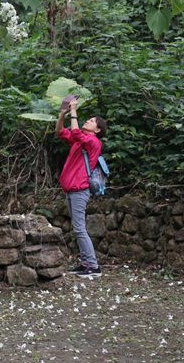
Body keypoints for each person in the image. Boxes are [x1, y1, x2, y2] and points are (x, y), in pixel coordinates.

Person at [55, 97, 108, 278]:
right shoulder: (81, 140)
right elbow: (61, 131)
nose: (88, 120)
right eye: (89, 118)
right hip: (71, 189)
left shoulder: (93, 142)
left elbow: (76, 133)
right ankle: (86, 263)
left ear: (98, 129)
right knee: (77, 228)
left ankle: (93, 266)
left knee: (79, 228)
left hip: (80, 189)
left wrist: (74, 111)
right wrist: (63, 114)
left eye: (92, 121)